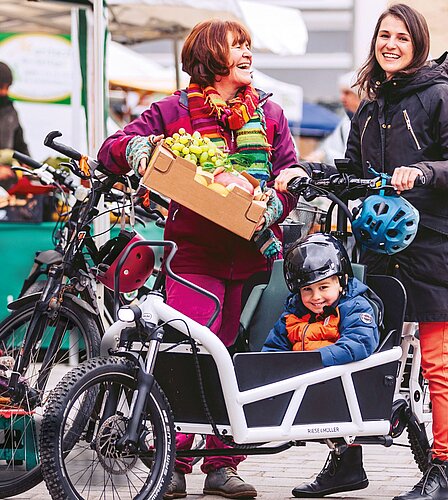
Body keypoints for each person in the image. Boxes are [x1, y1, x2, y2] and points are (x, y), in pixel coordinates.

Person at [274, 4, 448, 500]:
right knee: (358, 355)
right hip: (376, 247)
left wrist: (425, 173)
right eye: (384, 35)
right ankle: (347, 461)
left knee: (437, 363)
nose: (390, 44)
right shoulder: (370, 105)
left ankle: (444, 473)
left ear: (418, 46)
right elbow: (350, 171)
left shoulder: (438, 97)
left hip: (431, 246)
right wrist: (310, 175)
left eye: (401, 38)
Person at [97, 19, 298, 500]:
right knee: (188, 353)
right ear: (211, 55)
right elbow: (110, 150)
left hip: (249, 259)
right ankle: (174, 462)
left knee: (225, 356)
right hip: (194, 256)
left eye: (250, 45)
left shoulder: (269, 115)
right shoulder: (173, 112)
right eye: (238, 47)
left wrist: (277, 200)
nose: (248, 53)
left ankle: (221, 463)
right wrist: (141, 150)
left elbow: (290, 173)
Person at [262, 232, 379, 367]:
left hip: (336, 379)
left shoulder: (355, 307)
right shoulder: (293, 313)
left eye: (323, 287)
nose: (316, 296)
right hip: (296, 379)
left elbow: (359, 342)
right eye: (307, 289)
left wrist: (311, 362)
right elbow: (272, 349)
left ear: (342, 282)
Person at [305, 71, 362, 163]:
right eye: (342, 93)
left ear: (360, 94)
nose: (342, 98)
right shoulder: (346, 122)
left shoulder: (369, 122)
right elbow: (330, 147)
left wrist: (324, 156)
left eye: (347, 93)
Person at [0, 61, 29, 156]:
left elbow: (20, 145)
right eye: (1, 87)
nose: (4, 92)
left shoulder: (10, 111)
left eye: (7, 87)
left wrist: (28, 164)